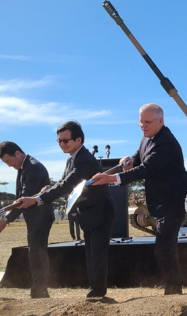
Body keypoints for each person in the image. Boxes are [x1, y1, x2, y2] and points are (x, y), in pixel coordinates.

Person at [92, 103, 187, 295]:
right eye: (140, 122)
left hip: (173, 202)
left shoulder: (166, 142)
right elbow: (139, 158)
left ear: (160, 121)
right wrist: (129, 161)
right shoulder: (147, 138)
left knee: (164, 247)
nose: (143, 126)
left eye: (147, 122)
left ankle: (173, 291)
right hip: (159, 202)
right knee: (163, 247)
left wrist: (113, 178)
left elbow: (147, 168)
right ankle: (172, 285)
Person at [17, 121, 116, 299]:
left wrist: (36, 199)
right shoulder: (72, 158)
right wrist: (46, 191)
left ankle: (97, 292)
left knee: (97, 255)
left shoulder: (84, 159)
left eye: (66, 140)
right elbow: (63, 183)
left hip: (100, 212)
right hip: (87, 212)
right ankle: (95, 290)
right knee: (90, 254)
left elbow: (66, 185)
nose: (62, 144)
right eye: (59, 141)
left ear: (78, 139)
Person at [0, 141, 55, 299]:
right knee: (34, 253)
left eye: (9, 161)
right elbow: (19, 198)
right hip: (33, 218)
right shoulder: (23, 167)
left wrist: (6, 220)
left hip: (40, 218)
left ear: (18, 153)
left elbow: (24, 200)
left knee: (37, 253)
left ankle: (39, 291)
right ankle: (39, 290)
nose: (9, 165)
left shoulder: (33, 167)